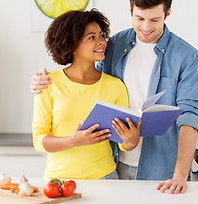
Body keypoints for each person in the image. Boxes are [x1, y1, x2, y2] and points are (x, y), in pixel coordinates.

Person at [31, 0, 198, 194]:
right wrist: (41, 81)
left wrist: (180, 174)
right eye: (139, 18)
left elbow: (189, 118)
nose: (146, 27)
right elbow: (85, 78)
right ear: (130, 10)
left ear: (167, 14)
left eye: (154, 20)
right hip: (114, 165)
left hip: (162, 170)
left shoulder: (186, 56)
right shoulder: (114, 46)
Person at [32, 9, 141, 180]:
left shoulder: (115, 86)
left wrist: (132, 139)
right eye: (92, 37)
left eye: (101, 35)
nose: (101, 42)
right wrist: (74, 140)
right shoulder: (48, 82)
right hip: (59, 180)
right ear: (72, 45)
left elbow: (123, 143)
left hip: (106, 177)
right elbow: (39, 141)